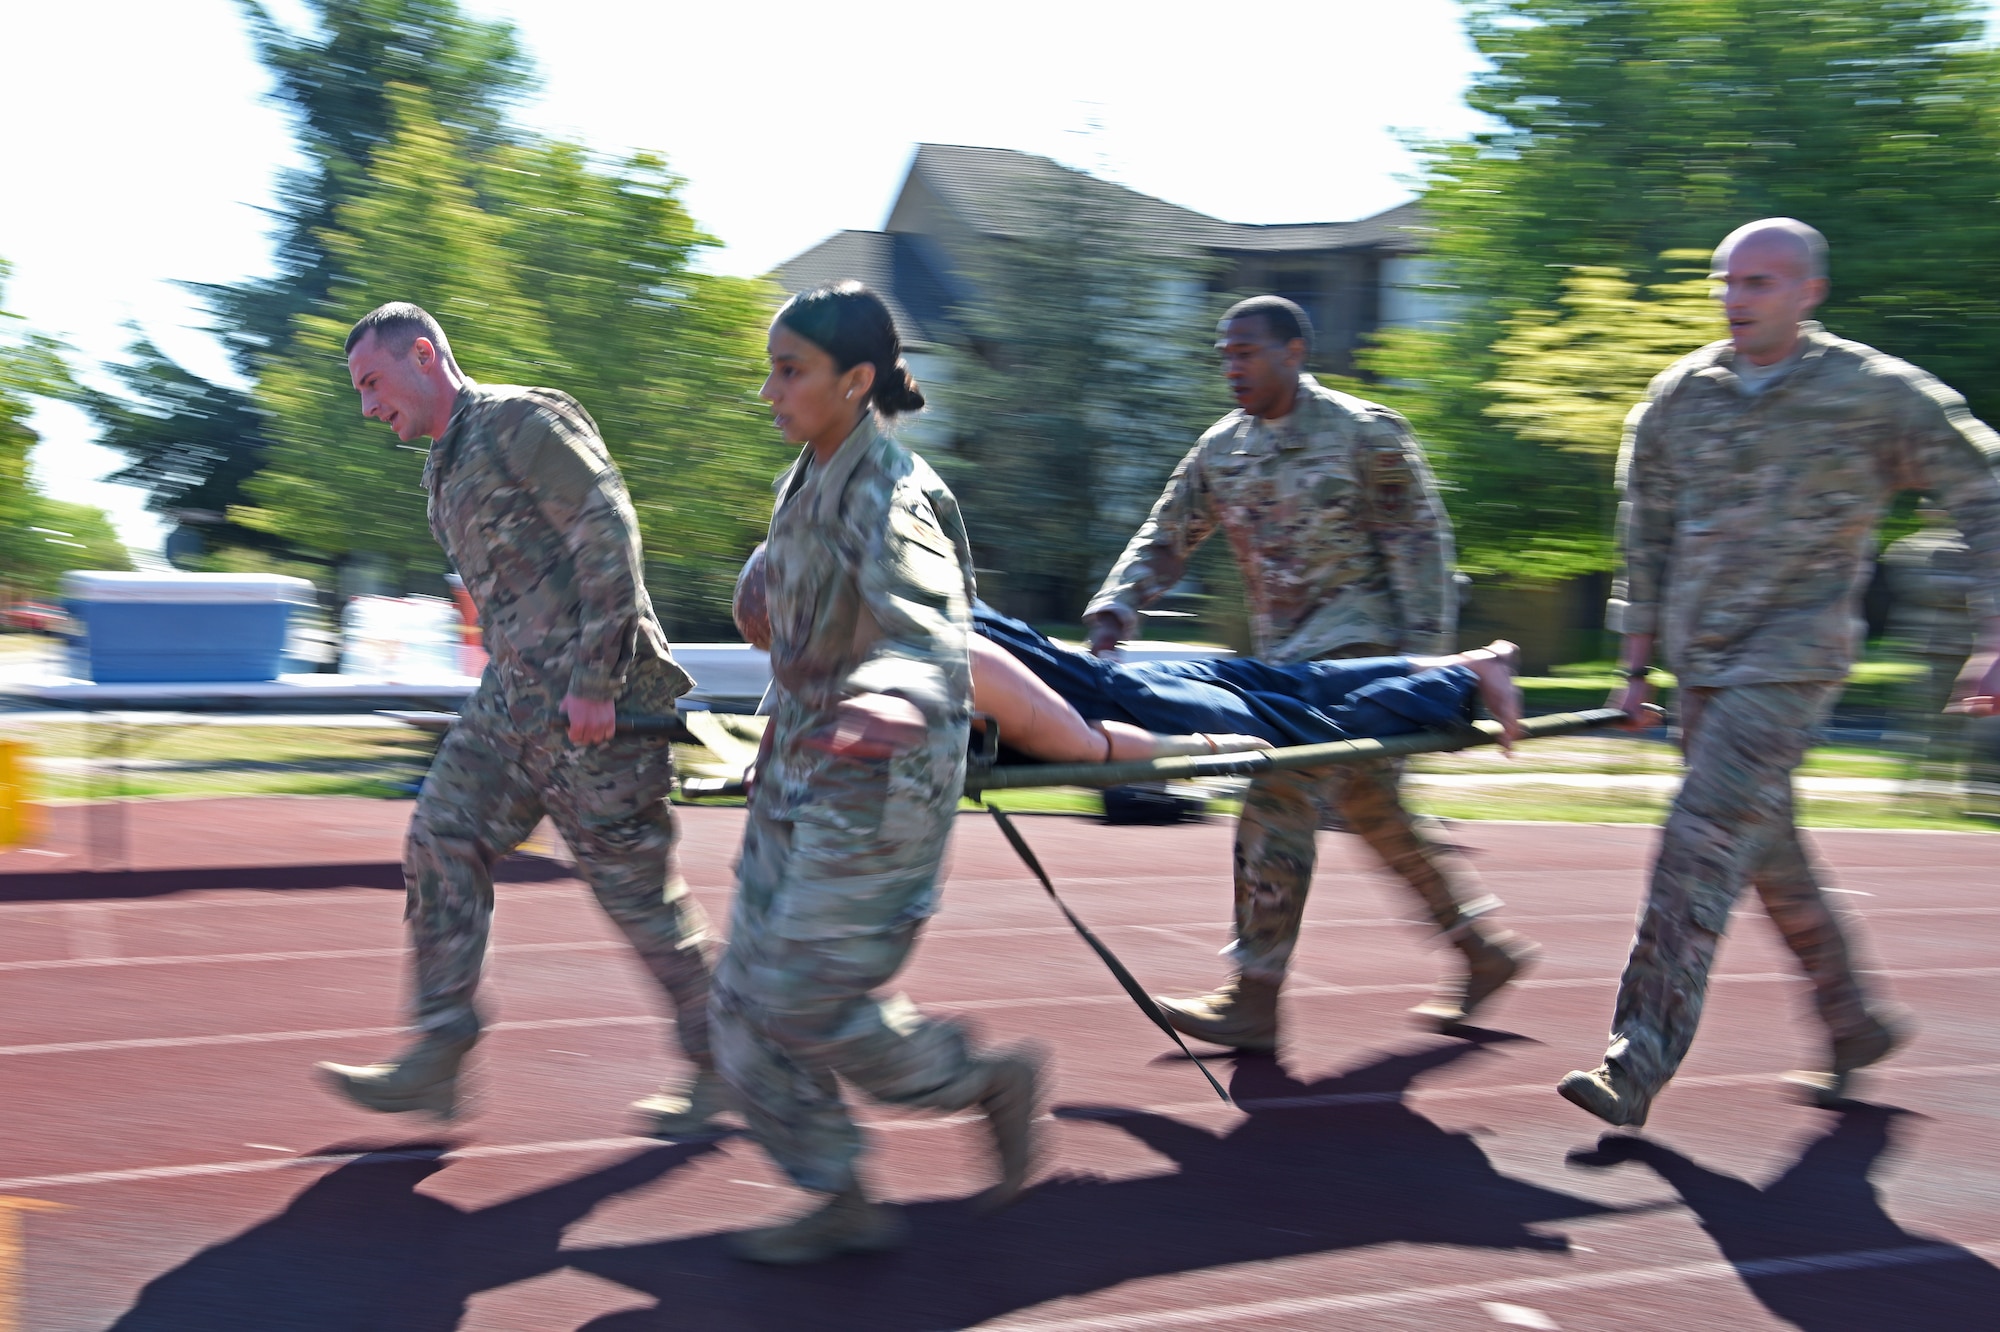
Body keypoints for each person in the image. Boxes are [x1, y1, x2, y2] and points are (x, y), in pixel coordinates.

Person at [1559, 219, 2000, 1128]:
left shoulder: (1874, 393)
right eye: (1728, 281)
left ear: (1810, 292)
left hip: (1795, 659)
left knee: (1699, 840)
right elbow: (1642, 539)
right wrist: (1634, 666)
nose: (1738, 298)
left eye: (1761, 283)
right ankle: (1853, 1022)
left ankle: (1635, 1059)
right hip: (1704, 663)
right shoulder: (1679, 396)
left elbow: (1985, 489)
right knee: (1766, 853)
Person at [1083, 295, 1538, 1049]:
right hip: (1287, 665)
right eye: (1224, 354)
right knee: (1374, 812)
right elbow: (1166, 536)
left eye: (1248, 352)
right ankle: (1480, 950)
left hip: (1368, 660)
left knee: (1279, 787)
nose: (1232, 367)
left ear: (1295, 353)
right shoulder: (1223, 450)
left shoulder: (1366, 435)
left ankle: (1254, 992)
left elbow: (1422, 554)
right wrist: (1117, 607)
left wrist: (1436, 679)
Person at [316, 304, 723, 1136]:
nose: (366, 408)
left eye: (372, 384)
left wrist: (598, 680)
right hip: (514, 705)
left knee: (637, 898)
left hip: (598, 709)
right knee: (440, 836)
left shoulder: (521, 423)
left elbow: (608, 534)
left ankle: (734, 1065)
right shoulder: (442, 465)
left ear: (423, 356)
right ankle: (439, 1049)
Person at [712, 282, 1040, 1265]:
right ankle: (839, 1193)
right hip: (800, 764)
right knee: (735, 1006)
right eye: (769, 368)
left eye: (789, 371)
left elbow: (931, 628)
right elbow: (793, 584)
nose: (769, 390)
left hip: (877, 778)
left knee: (799, 998)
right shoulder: (809, 473)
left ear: (855, 382)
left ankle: (981, 1080)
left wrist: (892, 694)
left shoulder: (892, 490)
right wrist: (757, 586)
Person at [734, 546, 1524, 763]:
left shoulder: (949, 657)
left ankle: (1466, 677)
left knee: (1311, 722)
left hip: (1152, 708)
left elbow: (1082, 743)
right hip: (1131, 680)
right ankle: (1475, 660)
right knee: (1296, 682)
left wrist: (1207, 749)